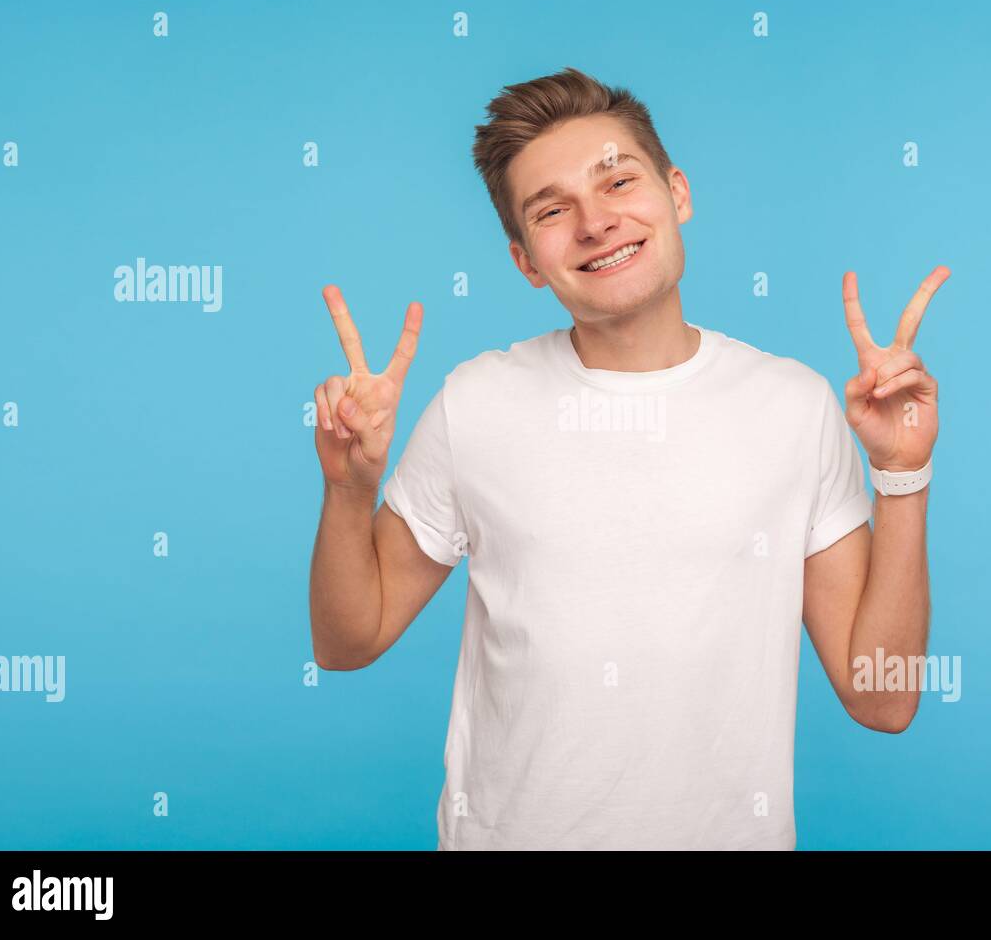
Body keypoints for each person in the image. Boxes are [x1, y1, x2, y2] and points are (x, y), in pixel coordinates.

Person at [308, 67, 947, 850]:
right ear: (524, 261)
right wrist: (348, 490)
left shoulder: (795, 406)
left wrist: (902, 476)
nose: (595, 222)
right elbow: (346, 642)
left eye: (618, 181)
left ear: (677, 192)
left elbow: (882, 701)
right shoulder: (476, 404)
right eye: (553, 210)